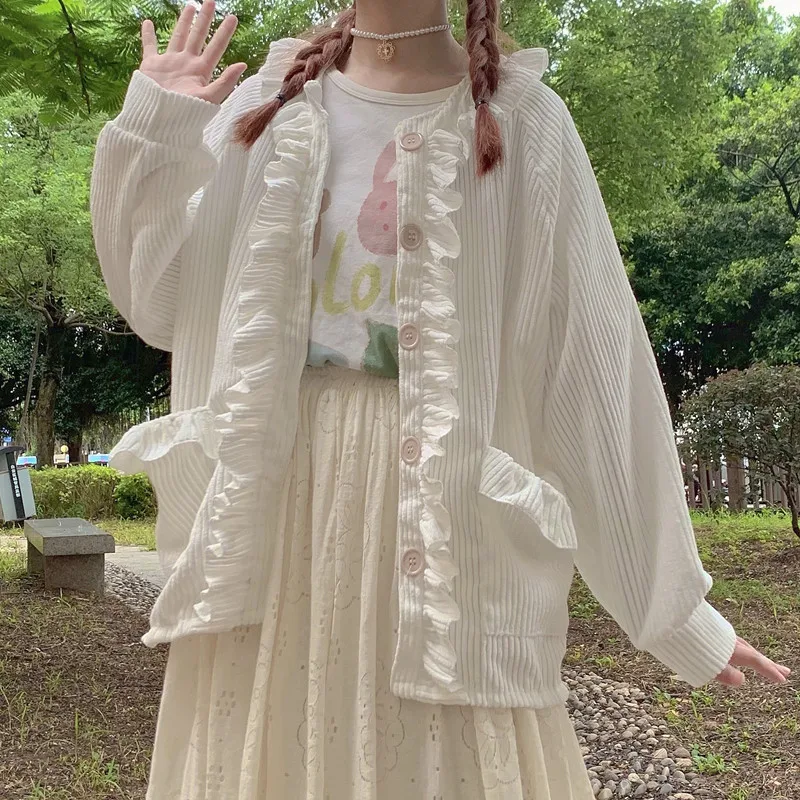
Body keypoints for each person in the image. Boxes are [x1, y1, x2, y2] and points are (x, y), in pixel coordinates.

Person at [90, 1, 790, 797]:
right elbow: (160, 302)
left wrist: (676, 614)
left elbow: (593, 368)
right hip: (276, 520)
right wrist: (157, 129)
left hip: (448, 531)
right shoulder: (268, 109)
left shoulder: (524, 122)